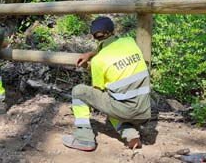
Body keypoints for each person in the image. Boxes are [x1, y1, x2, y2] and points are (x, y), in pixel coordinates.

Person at [62, 16, 151, 151]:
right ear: (114, 31)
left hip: (126, 112)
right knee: (113, 99)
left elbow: (98, 91)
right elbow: (112, 48)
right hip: (144, 112)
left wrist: (91, 62)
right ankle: (131, 135)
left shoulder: (99, 61)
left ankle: (84, 138)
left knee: (80, 92)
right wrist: (91, 54)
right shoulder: (130, 42)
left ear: (94, 37)